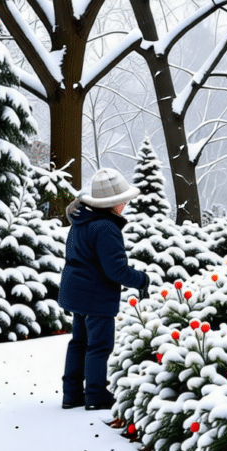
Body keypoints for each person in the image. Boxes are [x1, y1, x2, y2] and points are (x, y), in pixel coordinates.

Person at [58, 168, 150, 411]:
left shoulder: (81, 222)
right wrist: (141, 280)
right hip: (95, 295)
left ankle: (72, 394)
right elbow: (116, 270)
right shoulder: (106, 227)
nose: (126, 203)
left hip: (76, 291)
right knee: (98, 345)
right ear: (113, 203)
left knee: (79, 342)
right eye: (123, 200)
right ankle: (96, 395)